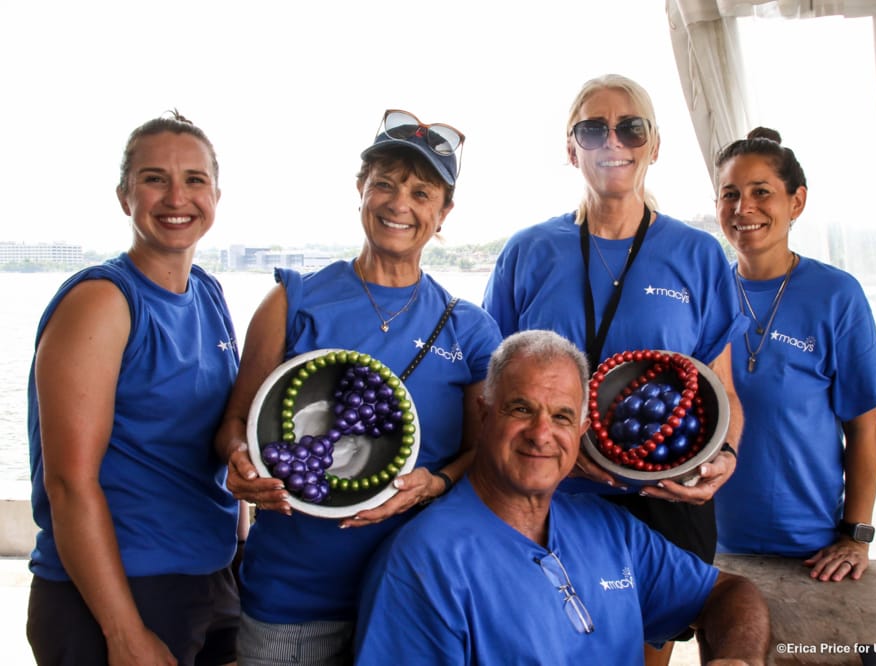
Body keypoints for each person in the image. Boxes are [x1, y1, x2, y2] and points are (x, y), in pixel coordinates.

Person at [215, 108, 502, 665]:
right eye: (386, 185)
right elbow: (234, 422)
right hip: (290, 598)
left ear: (443, 214)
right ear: (361, 191)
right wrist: (238, 462)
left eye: (422, 193)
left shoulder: (471, 328)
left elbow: (483, 452)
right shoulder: (292, 302)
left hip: (411, 596)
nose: (400, 204)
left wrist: (435, 483)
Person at [482, 74, 745, 663]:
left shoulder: (698, 255)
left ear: (655, 144)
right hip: (551, 497)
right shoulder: (528, 251)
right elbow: (487, 388)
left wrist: (724, 454)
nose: (613, 141)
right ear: (570, 148)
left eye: (631, 127)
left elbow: (722, 391)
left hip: (663, 501)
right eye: (593, 128)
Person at [354, 330, 770, 665]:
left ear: (582, 430)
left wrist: (739, 658)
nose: (541, 433)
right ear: (484, 414)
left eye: (562, 416)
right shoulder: (423, 563)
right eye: (520, 409)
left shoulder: (610, 529)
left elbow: (729, 593)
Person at [26, 111, 241, 666]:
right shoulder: (103, 301)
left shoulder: (209, 294)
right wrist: (123, 633)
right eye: (154, 178)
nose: (177, 197)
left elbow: (218, 434)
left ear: (216, 193)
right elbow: (69, 483)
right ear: (125, 196)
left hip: (207, 578)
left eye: (194, 179)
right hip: (115, 592)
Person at [712, 127, 876, 582]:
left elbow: (864, 428)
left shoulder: (835, 295)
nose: (744, 208)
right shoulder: (704, 291)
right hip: (713, 543)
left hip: (812, 553)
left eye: (762, 192)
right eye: (730, 193)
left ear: (796, 202)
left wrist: (856, 535)